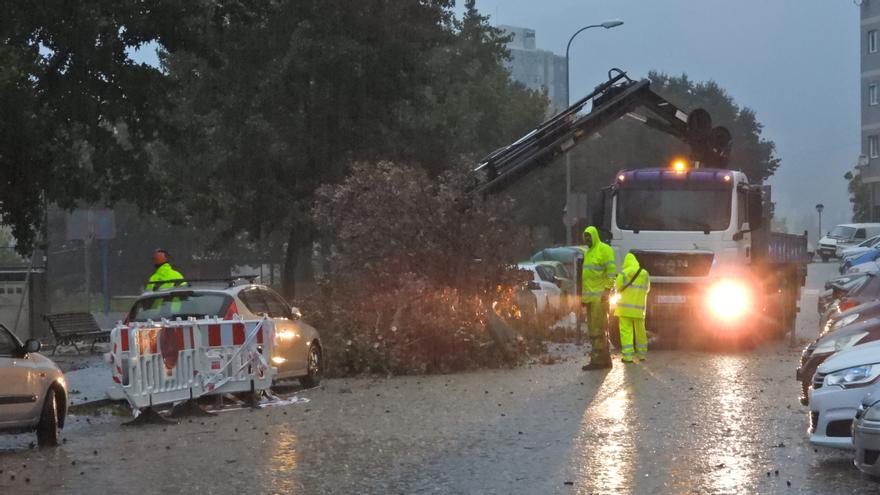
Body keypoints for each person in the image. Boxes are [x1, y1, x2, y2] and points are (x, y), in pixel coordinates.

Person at [580, 226, 617, 370]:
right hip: (591, 299)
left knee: (598, 330)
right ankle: (604, 360)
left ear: (594, 236)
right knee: (594, 329)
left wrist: (606, 291)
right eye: (585, 236)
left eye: (589, 236)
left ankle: (598, 361)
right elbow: (587, 279)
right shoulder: (588, 252)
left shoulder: (604, 250)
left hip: (600, 297)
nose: (587, 239)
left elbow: (611, 272)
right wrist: (584, 299)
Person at [615, 252, 650, 363]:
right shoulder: (644, 273)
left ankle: (628, 357)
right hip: (639, 309)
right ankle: (642, 355)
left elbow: (617, 287)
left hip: (624, 309)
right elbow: (647, 289)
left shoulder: (623, 273)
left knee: (626, 332)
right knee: (641, 331)